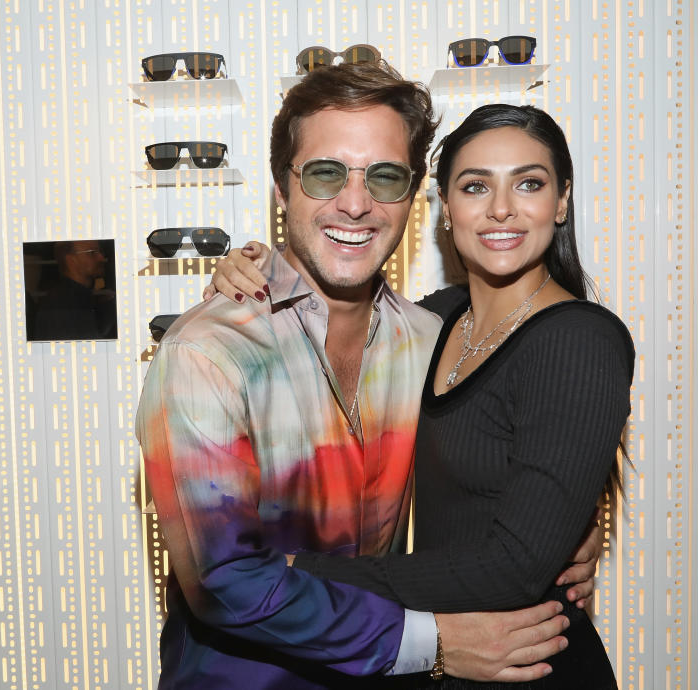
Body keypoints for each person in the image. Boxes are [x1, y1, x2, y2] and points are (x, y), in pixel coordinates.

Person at [136, 60, 600, 690]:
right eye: (326, 173)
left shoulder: (430, 339)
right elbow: (225, 586)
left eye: (384, 178)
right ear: (282, 187)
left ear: (413, 196)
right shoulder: (209, 353)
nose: (355, 204)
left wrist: (566, 523)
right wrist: (432, 643)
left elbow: (502, 443)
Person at [30, 239, 117, 340]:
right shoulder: (64, 305)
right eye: (92, 253)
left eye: (101, 252)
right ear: (71, 260)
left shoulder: (76, 297)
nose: (102, 258)